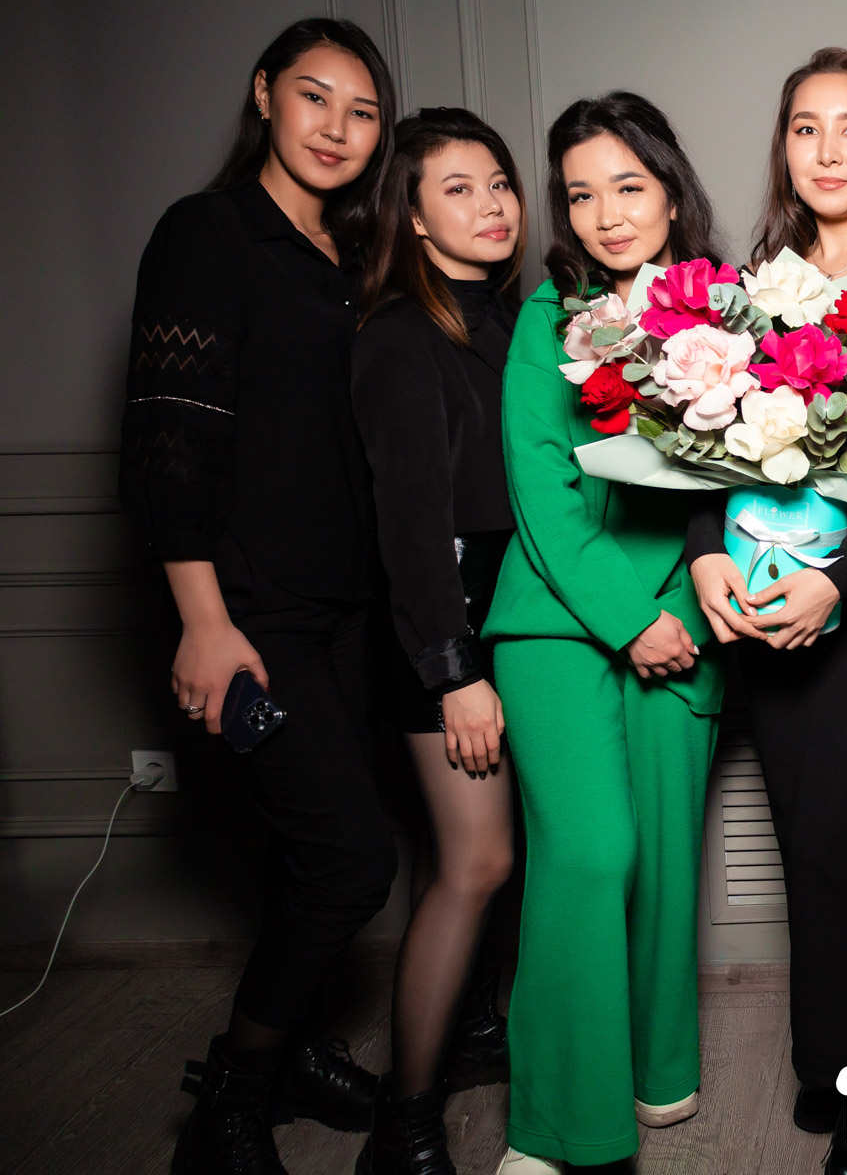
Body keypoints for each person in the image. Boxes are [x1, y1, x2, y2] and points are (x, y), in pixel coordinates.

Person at [120, 17, 398, 1175]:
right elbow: (168, 437)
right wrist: (204, 618)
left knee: (302, 852)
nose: (336, 128)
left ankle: (294, 1054)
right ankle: (230, 1097)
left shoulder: (353, 253)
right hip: (250, 608)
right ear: (265, 94)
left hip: (348, 609)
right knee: (351, 857)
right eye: (314, 96)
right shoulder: (208, 232)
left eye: (362, 111)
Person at [683, 46, 847, 1175]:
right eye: (806, 127)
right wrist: (705, 557)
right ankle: (832, 1058)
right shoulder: (748, 287)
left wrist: (841, 575)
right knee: (805, 841)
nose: (828, 150)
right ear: (784, 147)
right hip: (758, 591)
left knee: (837, 839)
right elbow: (695, 448)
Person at [479, 93, 726, 1173]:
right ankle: (555, 1126)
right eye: (581, 195)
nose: (607, 214)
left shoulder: (730, 306)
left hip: (687, 612)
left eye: (628, 186)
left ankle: (657, 1066)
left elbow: (749, 478)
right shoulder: (549, 315)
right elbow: (539, 485)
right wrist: (629, 619)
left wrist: (682, 612)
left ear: (671, 190)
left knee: (664, 857)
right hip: (558, 616)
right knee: (590, 852)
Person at [351, 107, 526, 1174]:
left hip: (516, 616)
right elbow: (412, 527)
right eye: (457, 188)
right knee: (476, 859)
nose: (492, 204)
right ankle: (404, 1122)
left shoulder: (511, 319)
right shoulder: (397, 336)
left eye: (498, 181)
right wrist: (454, 672)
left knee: (503, 859)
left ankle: (469, 1037)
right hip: (446, 630)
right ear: (412, 218)